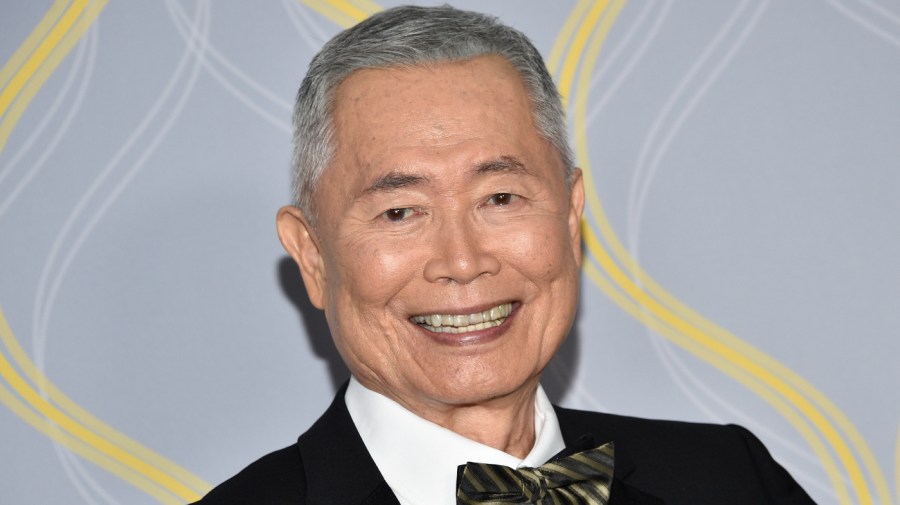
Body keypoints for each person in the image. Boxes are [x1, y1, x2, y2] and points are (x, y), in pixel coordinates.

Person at [193, 5, 815, 505]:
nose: (462, 261)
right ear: (313, 256)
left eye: (500, 196)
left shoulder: (732, 479)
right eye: (400, 212)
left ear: (571, 218)